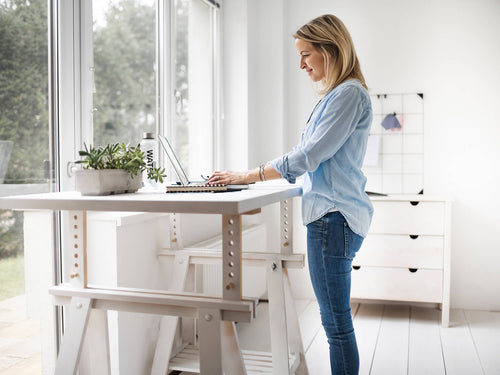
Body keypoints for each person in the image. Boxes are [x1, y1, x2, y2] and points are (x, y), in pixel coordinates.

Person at [208, 14, 373, 375]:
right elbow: (314, 160)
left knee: (335, 326)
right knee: (335, 322)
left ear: (330, 49)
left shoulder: (348, 94)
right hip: (333, 216)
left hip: (334, 218)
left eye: (306, 54)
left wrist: (249, 175)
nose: (300, 64)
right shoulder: (340, 95)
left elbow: (309, 155)